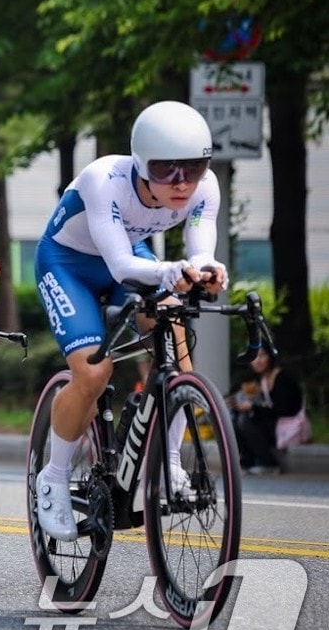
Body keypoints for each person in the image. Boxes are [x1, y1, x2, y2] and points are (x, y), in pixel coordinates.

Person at [33, 100, 225, 541]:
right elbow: (121, 267)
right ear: (140, 163)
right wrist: (170, 271)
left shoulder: (206, 187)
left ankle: (170, 463)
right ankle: (54, 477)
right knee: (93, 372)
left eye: (193, 169)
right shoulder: (104, 179)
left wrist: (207, 269)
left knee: (176, 338)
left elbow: (200, 250)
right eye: (165, 170)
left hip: (132, 255)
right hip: (69, 263)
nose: (181, 183)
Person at [229, 346, 307, 475]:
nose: (257, 361)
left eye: (262, 356)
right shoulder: (261, 379)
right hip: (273, 423)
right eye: (254, 357)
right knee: (235, 419)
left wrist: (253, 408)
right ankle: (247, 462)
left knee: (244, 421)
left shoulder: (283, 378)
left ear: (271, 356)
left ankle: (268, 463)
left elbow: (284, 410)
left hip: (288, 425)